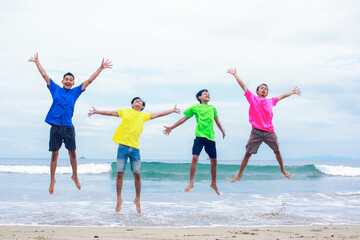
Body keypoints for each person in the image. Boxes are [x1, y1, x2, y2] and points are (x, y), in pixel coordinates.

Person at [28, 53, 112, 194]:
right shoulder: (55, 89)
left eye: (71, 80)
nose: (68, 81)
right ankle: (52, 180)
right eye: (66, 79)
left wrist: (101, 68)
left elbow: (89, 80)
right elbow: (44, 75)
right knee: (55, 154)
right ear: (62, 81)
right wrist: (37, 61)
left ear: (73, 83)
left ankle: (75, 176)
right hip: (55, 127)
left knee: (72, 153)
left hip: (68, 127)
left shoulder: (75, 92)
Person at [88, 98, 179, 213]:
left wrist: (172, 110)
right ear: (131, 104)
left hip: (135, 149)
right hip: (123, 147)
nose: (137, 101)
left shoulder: (144, 116)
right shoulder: (125, 111)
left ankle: (137, 199)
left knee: (137, 175)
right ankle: (119, 199)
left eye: (140, 101)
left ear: (142, 107)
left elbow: (159, 114)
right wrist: (97, 111)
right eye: (135, 100)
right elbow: (110, 113)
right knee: (120, 174)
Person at [227, 68, 301, 182]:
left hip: (269, 131)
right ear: (257, 91)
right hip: (256, 131)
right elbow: (242, 85)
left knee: (277, 151)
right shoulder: (252, 98)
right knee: (248, 154)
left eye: (266, 89)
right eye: (261, 88)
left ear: (267, 93)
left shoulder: (271, 101)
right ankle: (239, 175)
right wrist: (235, 75)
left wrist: (292, 92)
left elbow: (281, 96)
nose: (264, 90)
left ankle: (282, 169)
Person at [163, 89, 225, 195]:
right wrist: (172, 127)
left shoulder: (212, 108)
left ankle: (213, 183)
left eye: (208, 94)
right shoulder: (195, 107)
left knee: (214, 162)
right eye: (205, 94)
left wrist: (222, 130)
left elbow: (217, 121)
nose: (208, 95)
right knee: (195, 158)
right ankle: (191, 183)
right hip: (199, 136)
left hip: (210, 138)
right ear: (199, 97)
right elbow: (184, 119)